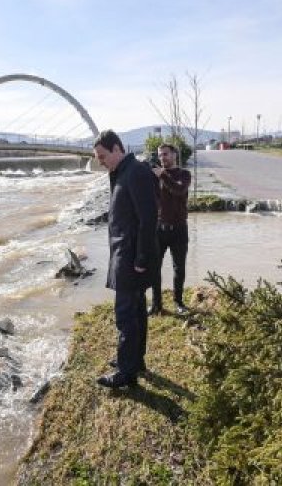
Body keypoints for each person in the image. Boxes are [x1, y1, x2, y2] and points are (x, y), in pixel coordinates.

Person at [93, 130, 158, 388]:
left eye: (102, 156)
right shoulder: (122, 172)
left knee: (125, 315)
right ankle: (134, 360)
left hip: (131, 257)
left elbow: (148, 217)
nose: (100, 161)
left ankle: (126, 372)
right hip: (125, 253)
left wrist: (142, 258)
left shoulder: (136, 173)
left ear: (117, 148)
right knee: (137, 310)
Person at [150, 143, 191, 315]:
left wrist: (163, 175)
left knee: (179, 268)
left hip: (179, 229)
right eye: (160, 155)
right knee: (154, 268)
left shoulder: (184, 174)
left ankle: (178, 302)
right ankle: (156, 305)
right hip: (159, 229)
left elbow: (179, 189)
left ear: (174, 155)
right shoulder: (155, 176)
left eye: (165, 154)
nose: (162, 158)